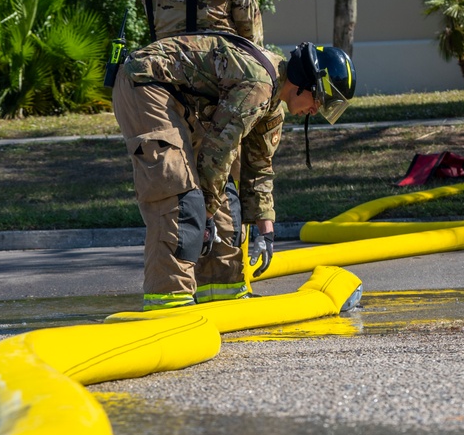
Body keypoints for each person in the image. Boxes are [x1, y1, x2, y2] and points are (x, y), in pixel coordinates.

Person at [112, 35, 355, 310]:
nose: (316, 110)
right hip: (147, 85)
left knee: (225, 199)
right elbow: (218, 152)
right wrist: (205, 213)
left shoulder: (274, 104)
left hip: (182, 102)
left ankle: (222, 296)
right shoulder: (258, 86)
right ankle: (169, 304)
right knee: (180, 198)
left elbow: (259, 165)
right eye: (320, 100)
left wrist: (266, 229)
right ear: (304, 84)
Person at [139, 0, 275, 275]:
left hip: (165, 97)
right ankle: (228, 287)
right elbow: (251, 42)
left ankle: (186, 287)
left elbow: (154, 27)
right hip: (219, 95)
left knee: (179, 192)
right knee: (221, 185)